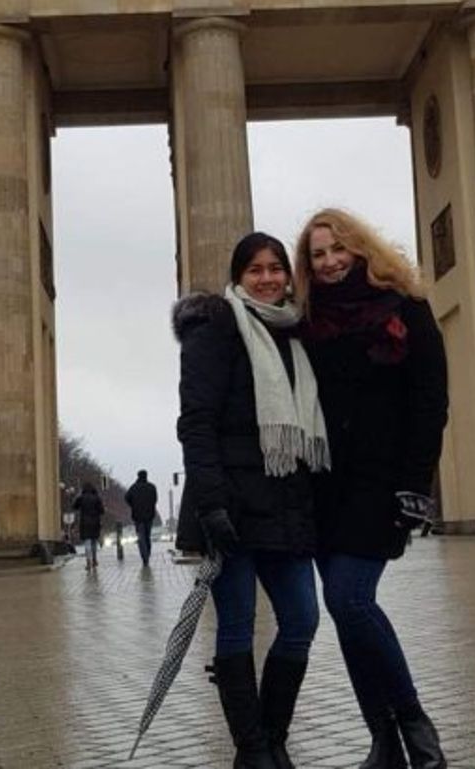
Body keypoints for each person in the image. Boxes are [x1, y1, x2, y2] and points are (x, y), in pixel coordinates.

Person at [296, 208, 449, 769]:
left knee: (350, 599)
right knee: (348, 613)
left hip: (380, 484)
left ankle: (417, 733)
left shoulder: (406, 307)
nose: (331, 262)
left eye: (338, 249)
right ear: (307, 265)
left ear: (360, 249)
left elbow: (431, 401)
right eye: (318, 254)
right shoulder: (306, 319)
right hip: (322, 487)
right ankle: (383, 742)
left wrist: (415, 485)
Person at [174, 231, 326, 769]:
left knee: (302, 620)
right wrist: (211, 503)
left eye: (275, 268)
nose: (267, 278)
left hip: (286, 504)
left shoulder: (297, 334)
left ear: (288, 275)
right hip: (234, 506)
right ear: (238, 276)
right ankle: (254, 751)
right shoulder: (214, 328)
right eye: (254, 269)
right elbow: (197, 421)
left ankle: (272, 735)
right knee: (236, 626)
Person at [124, 470, 160, 566]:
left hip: (138, 516)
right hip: (149, 515)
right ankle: (147, 552)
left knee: (141, 537)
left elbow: (126, 498)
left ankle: (145, 557)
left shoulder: (134, 487)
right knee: (147, 536)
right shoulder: (152, 487)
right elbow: (155, 499)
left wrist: (133, 505)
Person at [73, 483, 106, 569]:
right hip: (95, 523)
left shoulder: (81, 498)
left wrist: (78, 496)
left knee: (87, 542)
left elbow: (74, 506)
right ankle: (94, 559)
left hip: (85, 523)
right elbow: (102, 511)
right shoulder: (97, 498)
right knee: (94, 542)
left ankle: (88, 561)